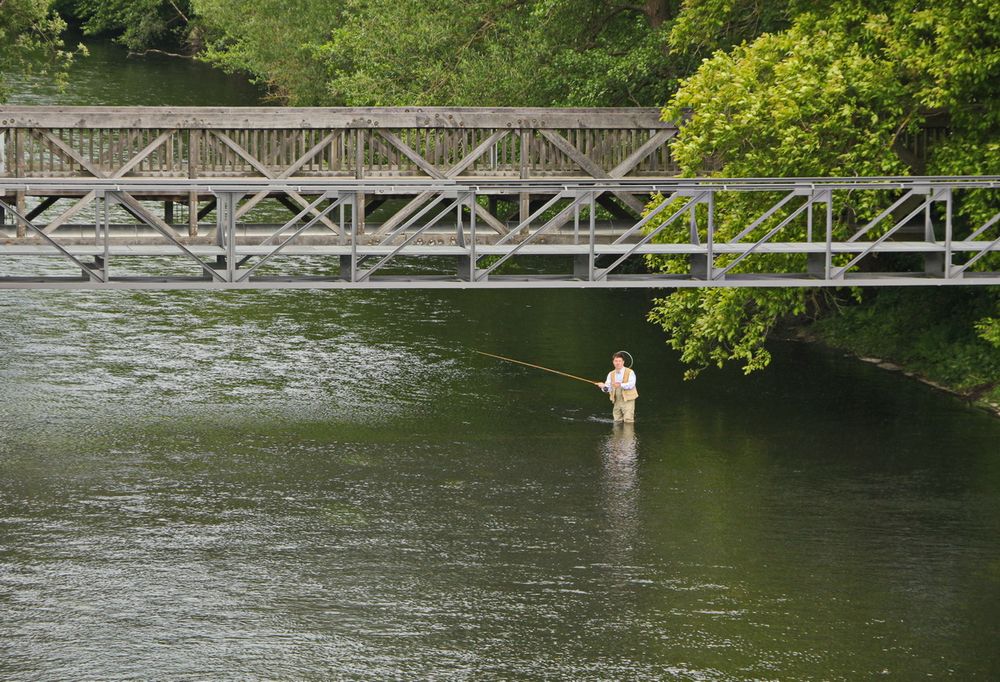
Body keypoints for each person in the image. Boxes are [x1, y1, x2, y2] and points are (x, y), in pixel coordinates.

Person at [596, 352, 637, 423]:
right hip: (616, 400)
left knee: (628, 421)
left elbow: (631, 385)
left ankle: (629, 434)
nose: (617, 363)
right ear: (613, 362)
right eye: (616, 361)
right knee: (617, 421)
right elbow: (608, 389)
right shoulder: (611, 374)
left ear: (623, 362)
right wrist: (603, 387)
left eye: (619, 361)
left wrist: (620, 385)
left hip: (628, 400)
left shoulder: (630, 372)